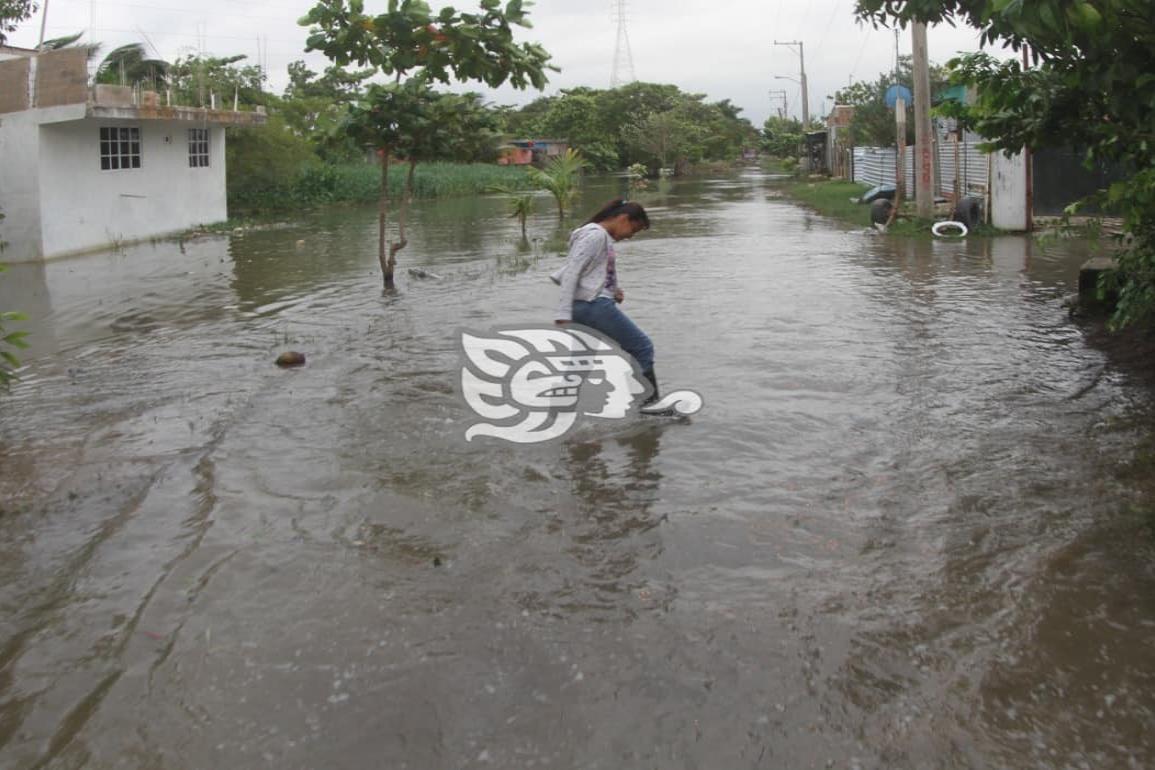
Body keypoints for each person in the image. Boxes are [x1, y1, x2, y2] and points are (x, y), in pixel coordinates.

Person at [552, 199, 663, 410]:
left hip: (585, 305)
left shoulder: (598, 237)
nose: (630, 235)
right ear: (623, 218)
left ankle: (559, 408)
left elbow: (591, 272)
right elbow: (573, 272)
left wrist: (613, 291)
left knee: (581, 361)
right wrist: (562, 312)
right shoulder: (595, 235)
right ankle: (650, 406)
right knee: (642, 347)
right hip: (593, 306)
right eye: (634, 229)